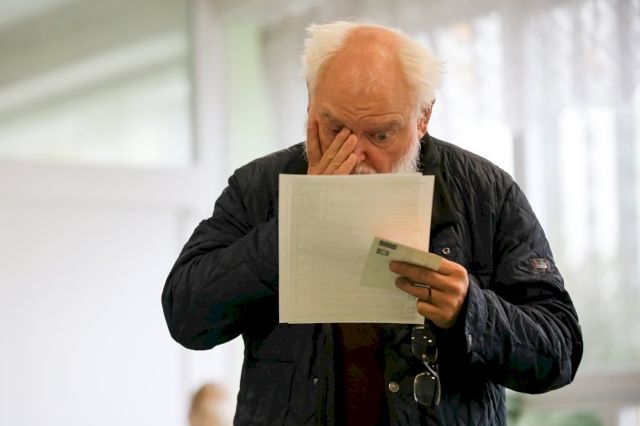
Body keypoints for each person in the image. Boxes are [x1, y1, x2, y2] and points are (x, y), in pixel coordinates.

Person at [162, 20, 583, 425]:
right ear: (310, 101)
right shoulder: (259, 188)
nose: (356, 157)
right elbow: (186, 316)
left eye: (381, 135)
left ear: (423, 116)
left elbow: (561, 349)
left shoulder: (485, 192)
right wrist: (293, 228)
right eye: (335, 129)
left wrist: (470, 311)